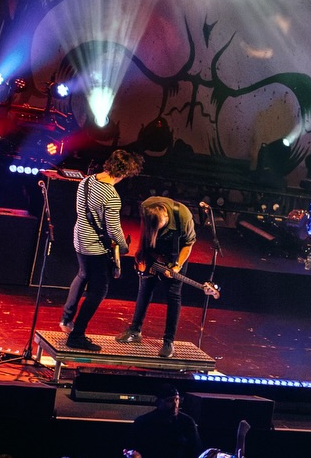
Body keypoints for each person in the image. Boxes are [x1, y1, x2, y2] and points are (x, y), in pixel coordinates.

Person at [61, 149, 143, 350]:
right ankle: (77, 336)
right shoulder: (111, 195)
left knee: (82, 275)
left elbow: (81, 211)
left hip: (79, 237)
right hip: (94, 246)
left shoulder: (86, 181)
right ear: (124, 172)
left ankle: (66, 320)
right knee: (99, 290)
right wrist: (124, 247)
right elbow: (113, 228)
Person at [116, 197, 197, 358]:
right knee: (144, 289)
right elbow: (145, 233)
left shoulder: (183, 215)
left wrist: (176, 266)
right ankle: (135, 330)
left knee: (173, 295)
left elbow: (189, 243)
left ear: (166, 216)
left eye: (160, 227)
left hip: (176, 256)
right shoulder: (146, 207)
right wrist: (141, 253)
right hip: (153, 251)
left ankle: (168, 341)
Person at [126, 384, 202, 458]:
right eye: (169, 400)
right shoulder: (143, 422)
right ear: (158, 402)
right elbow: (131, 448)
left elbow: (196, 451)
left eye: (177, 399)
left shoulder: (187, 422)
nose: (175, 404)